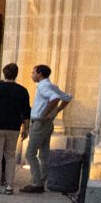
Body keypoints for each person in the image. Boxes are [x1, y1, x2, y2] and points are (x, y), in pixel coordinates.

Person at [23, 64, 73, 192]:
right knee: (43, 153)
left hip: (40, 122)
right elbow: (67, 97)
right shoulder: (52, 86)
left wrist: (44, 114)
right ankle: (42, 180)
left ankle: (36, 182)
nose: (32, 75)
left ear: (40, 74)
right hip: (47, 123)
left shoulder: (43, 86)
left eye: (33, 72)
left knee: (30, 153)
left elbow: (55, 98)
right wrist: (56, 112)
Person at [0, 62, 30, 194]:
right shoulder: (22, 90)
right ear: (16, 74)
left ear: (3, 73)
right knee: (10, 156)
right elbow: (26, 112)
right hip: (13, 126)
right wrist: (26, 129)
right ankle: (9, 185)